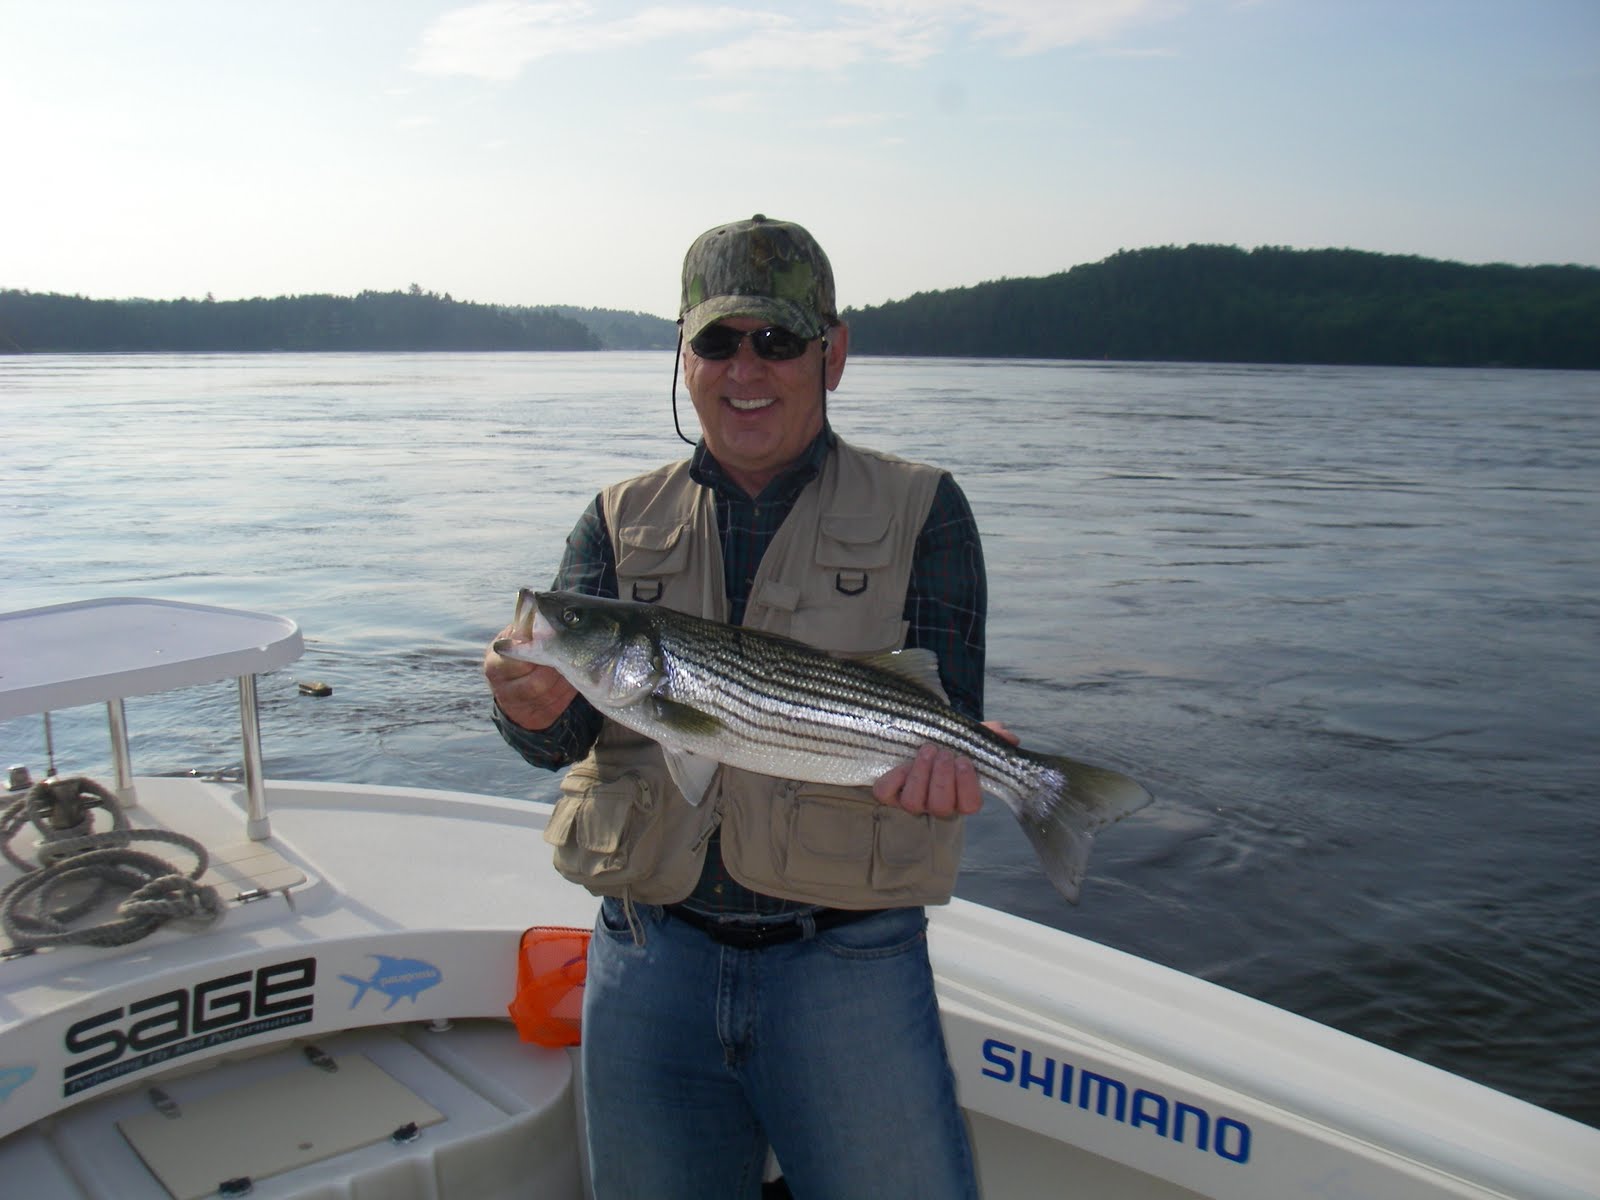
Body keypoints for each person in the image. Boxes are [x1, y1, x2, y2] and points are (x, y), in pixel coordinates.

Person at [484, 214, 995, 1199]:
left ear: (832, 352)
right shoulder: (614, 518)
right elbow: (554, 741)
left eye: (776, 339)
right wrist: (530, 703)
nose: (744, 367)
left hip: (846, 962)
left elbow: (944, 707)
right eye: (716, 341)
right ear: (683, 354)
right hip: (647, 953)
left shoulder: (924, 508)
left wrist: (960, 767)